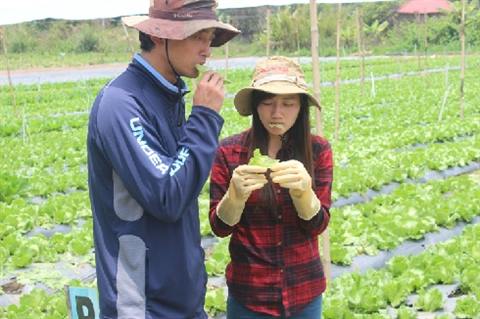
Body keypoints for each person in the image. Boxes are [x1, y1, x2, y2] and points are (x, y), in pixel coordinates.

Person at [87, 1, 239, 318]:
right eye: (198, 36)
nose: (207, 50)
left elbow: (181, 181)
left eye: (210, 38)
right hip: (141, 305)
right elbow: (168, 195)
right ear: (159, 36)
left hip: (183, 299)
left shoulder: (168, 95)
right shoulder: (121, 103)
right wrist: (205, 117)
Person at [209, 56, 333, 318]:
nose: (277, 113)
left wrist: (304, 194)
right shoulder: (229, 151)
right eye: (267, 103)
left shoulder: (318, 150)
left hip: (304, 291)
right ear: (255, 106)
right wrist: (234, 196)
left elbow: (318, 225)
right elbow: (220, 228)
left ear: (301, 107)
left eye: (288, 103)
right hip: (249, 294)